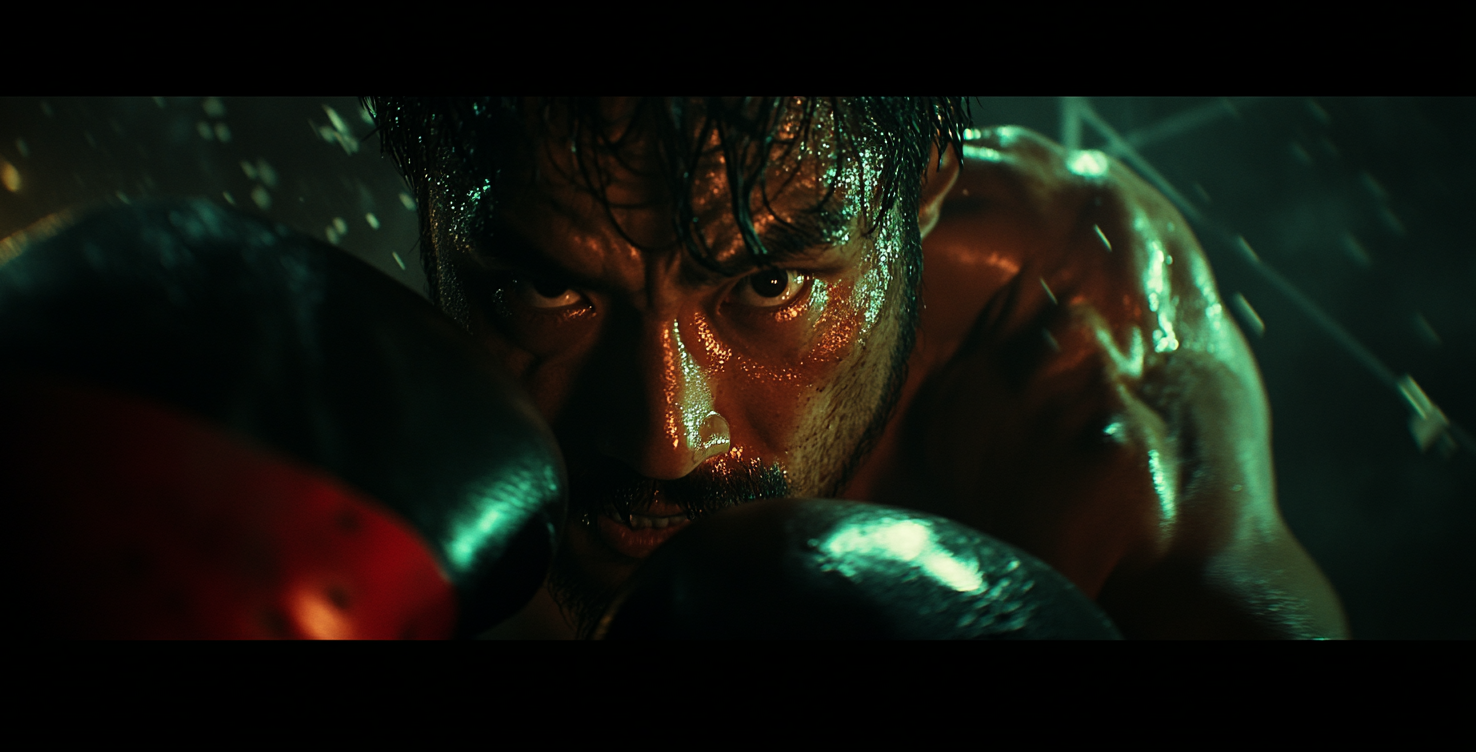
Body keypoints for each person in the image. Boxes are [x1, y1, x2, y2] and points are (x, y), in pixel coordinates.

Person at [366, 97, 1351, 639]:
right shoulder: (361, 400)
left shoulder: (1065, 361)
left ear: (928, 180)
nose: (664, 441)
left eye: (771, 285)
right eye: (548, 289)